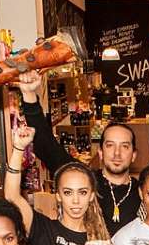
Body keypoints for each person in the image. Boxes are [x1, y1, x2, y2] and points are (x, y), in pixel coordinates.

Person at [6, 125, 114, 245]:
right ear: (57, 196)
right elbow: (12, 196)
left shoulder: (101, 238)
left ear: (91, 196)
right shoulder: (42, 229)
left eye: (82, 192)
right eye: (67, 192)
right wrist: (18, 149)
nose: (75, 201)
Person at [17, 70, 140, 234]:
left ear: (133, 155)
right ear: (101, 152)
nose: (117, 153)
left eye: (124, 146)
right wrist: (29, 95)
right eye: (110, 145)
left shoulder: (144, 192)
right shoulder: (82, 178)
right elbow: (45, 146)